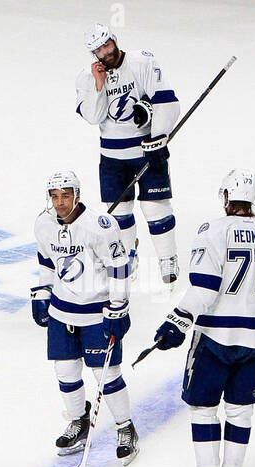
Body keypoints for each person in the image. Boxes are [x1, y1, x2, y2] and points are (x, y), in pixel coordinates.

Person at [151, 169, 255, 467]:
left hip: (215, 334)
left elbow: (204, 285)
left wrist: (176, 320)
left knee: (203, 406)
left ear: (226, 197)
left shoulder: (214, 229)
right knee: (241, 411)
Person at [32, 170, 139, 464]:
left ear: (77, 195)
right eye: (55, 196)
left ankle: (125, 427)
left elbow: (119, 267)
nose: (60, 202)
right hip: (61, 312)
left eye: (65, 195)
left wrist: (119, 307)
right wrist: (41, 294)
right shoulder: (43, 224)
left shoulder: (101, 226)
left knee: (107, 376)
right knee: (65, 374)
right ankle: (79, 422)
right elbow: (46, 264)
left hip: (96, 313)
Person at [76, 23, 182, 284]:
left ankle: (168, 259)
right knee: (119, 213)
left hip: (145, 150)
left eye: (107, 45)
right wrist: (100, 86)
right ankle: (126, 256)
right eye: (99, 50)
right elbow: (93, 116)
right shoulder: (87, 78)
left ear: (114, 39)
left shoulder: (142, 62)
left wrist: (158, 138)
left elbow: (166, 100)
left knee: (155, 208)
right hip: (111, 158)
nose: (106, 52)